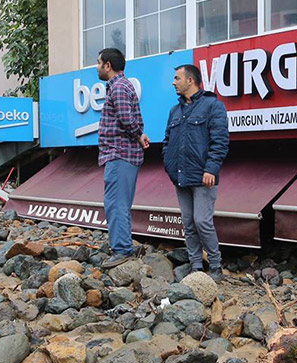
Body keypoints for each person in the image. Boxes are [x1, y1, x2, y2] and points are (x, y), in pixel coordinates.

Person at [162, 64, 230, 282]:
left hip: (203, 176)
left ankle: (216, 265)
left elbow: (220, 141)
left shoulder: (213, 106)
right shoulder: (174, 110)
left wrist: (211, 168)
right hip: (180, 176)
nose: (174, 82)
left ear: (190, 81)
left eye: (177, 78)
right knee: (188, 223)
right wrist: (169, 165)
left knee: (202, 221)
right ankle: (196, 267)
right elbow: (167, 141)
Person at [95, 48, 150, 269]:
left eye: (98, 63)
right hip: (123, 154)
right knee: (120, 203)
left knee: (115, 203)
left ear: (108, 65)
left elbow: (126, 119)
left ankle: (122, 249)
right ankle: (123, 245)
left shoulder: (117, 87)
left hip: (119, 153)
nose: (96, 67)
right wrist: (139, 135)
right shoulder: (123, 86)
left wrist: (137, 135)